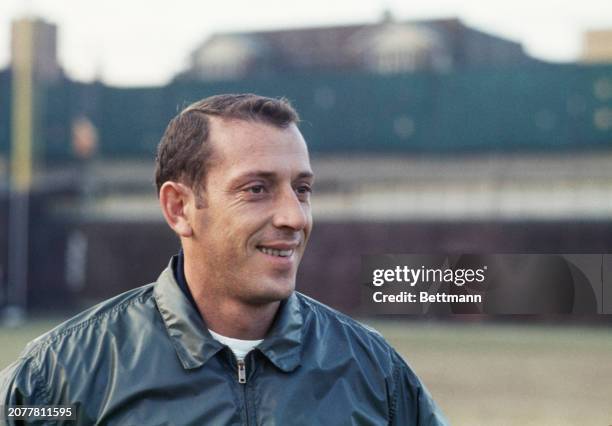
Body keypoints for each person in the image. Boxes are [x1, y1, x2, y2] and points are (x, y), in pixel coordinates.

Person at [0, 94, 448, 425]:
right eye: (256, 189)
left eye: (303, 190)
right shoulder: (59, 377)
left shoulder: (376, 374)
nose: (294, 216)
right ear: (179, 208)